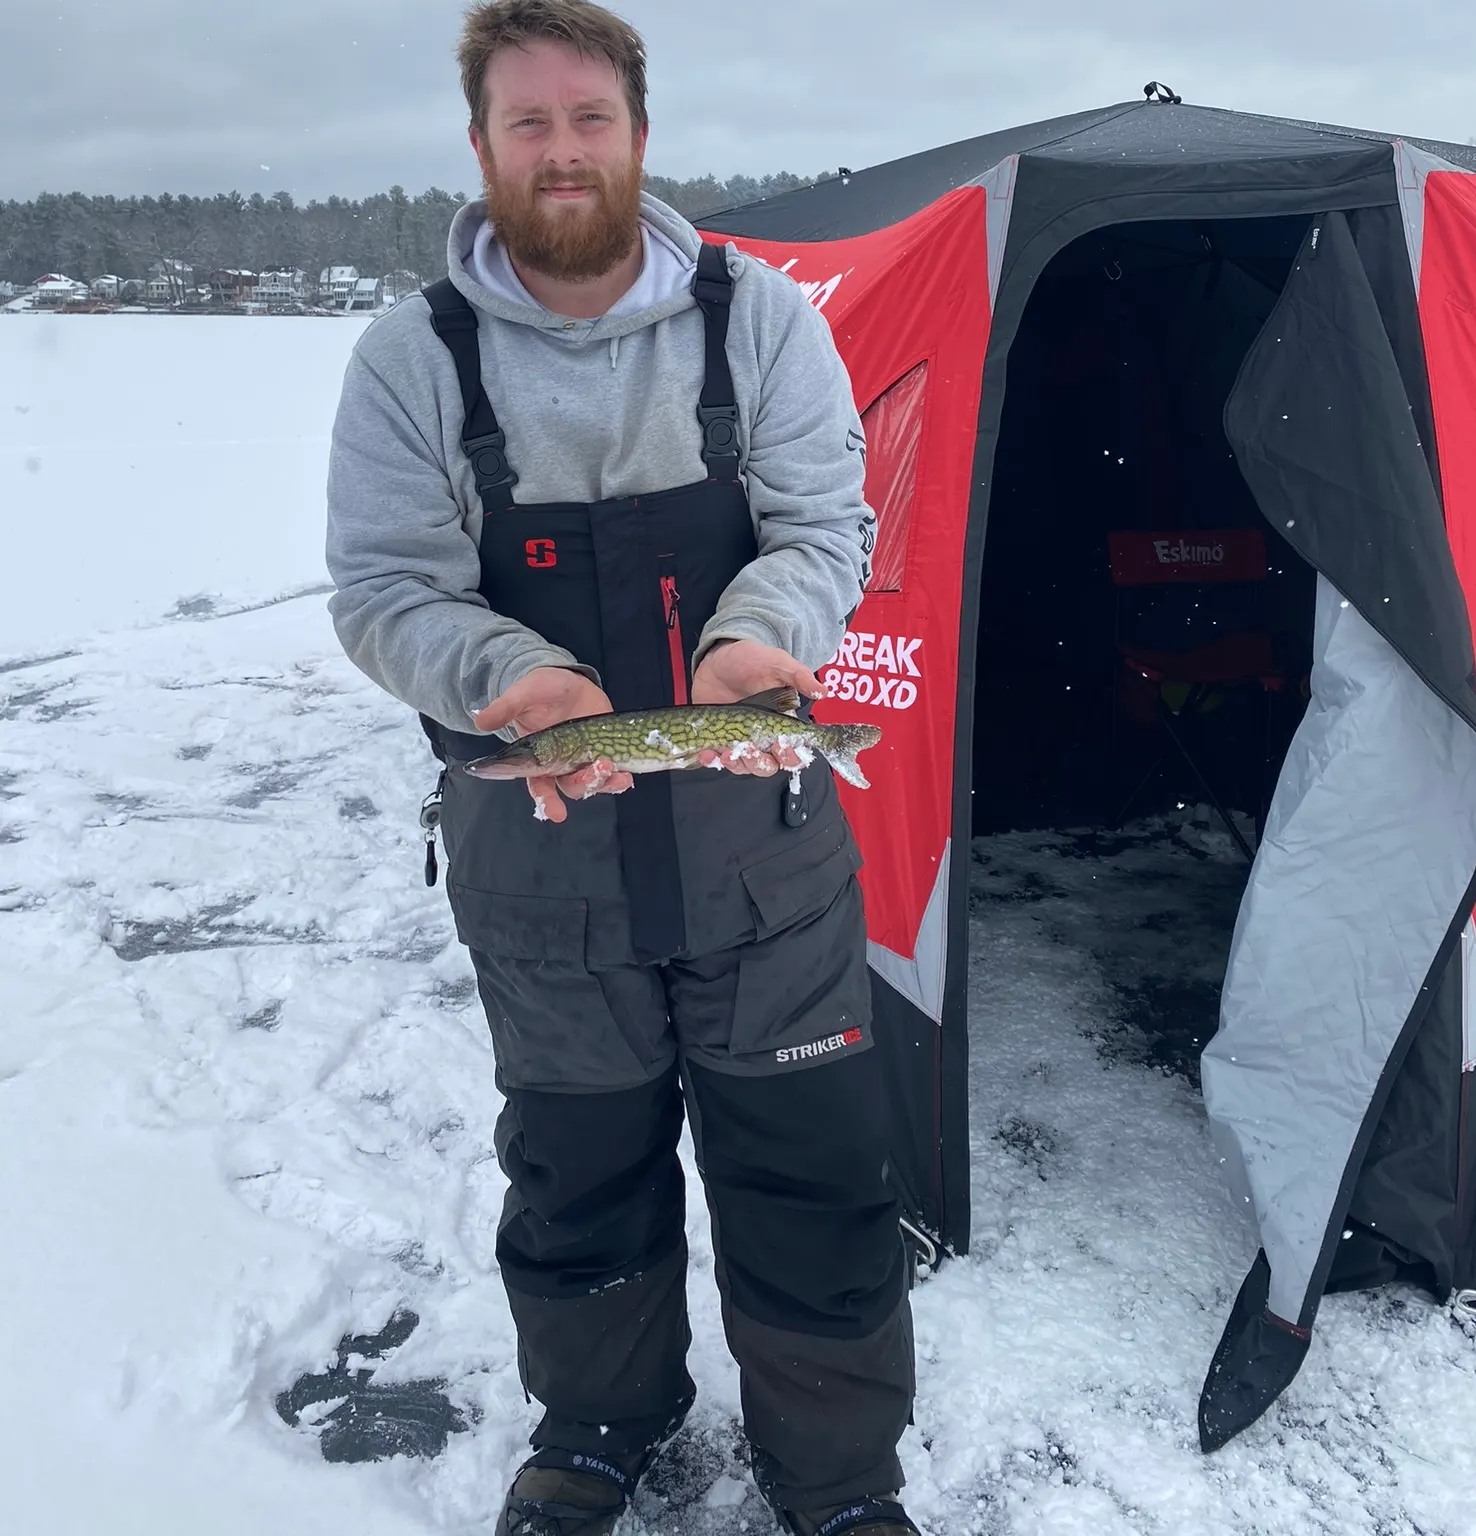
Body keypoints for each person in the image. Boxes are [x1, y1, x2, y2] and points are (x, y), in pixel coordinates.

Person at [325, 4, 918, 1535]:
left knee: (809, 1170)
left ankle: (839, 1477)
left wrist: (759, 638)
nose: (563, 151)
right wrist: (507, 674)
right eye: (528, 123)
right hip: (540, 848)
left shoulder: (762, 318)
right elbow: (385, 591)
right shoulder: (411, 360)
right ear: (481, 148)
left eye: (589, 117)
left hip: (760, 848)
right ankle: (599, 1422)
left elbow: (824, 532)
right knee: (579, 1168)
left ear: (639, 136)